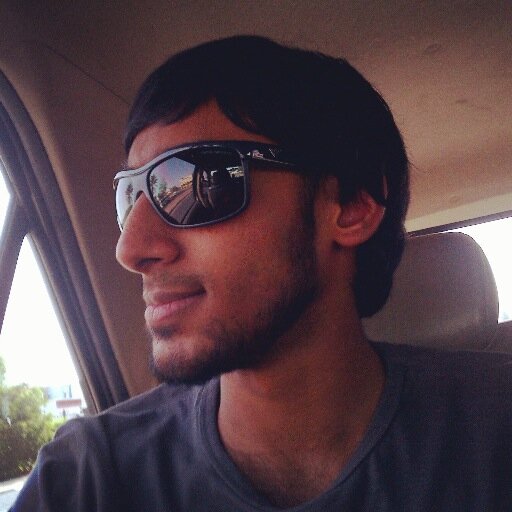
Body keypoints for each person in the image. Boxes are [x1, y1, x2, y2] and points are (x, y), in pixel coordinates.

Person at [11, 35, 512, 511]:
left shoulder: (496, 429)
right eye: (131, 195)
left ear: (351, 206)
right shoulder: (85, 481)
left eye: (195, 181)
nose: (130, 249)